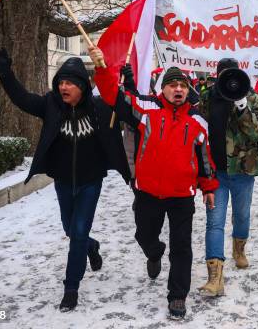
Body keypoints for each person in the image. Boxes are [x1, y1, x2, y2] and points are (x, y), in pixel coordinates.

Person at [0, 47, 130, 312]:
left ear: (81, 87)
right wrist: (4, 72)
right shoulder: (51, 106)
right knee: (71, 229)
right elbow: (21, 98)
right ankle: (92, 246)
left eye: (69, 83)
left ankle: (71, 287)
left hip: (91, 181)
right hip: (63, 181)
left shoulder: (99, 107)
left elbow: (122, 105)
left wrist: (107, 70)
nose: (63, 87)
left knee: (77, 232)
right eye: (60, 82)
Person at [91, 47, 218, 320]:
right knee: (144, 234)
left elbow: (205, 158)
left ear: (188, 90)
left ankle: (177, 296)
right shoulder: (146, 109)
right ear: (164, 89)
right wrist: (101, 67)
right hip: (148, 191)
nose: (178, 89)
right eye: (172, 84)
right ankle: (154, 251)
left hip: (182, 195)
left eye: (182, 85)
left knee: (181, 246)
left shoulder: (197, 121)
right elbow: (114, 96)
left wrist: (208, 187)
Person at [198, 58, 258, 297]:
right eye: (223, 74)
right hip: (215, 173)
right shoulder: (207, 98)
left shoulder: (253, 98)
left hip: (243, 170)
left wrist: (241, 105)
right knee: (214, 222)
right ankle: (215, 277)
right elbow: (197, 128)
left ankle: (239, 249)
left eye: (232, 74)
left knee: (242, 215)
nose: (228, 78)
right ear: (217, 76)